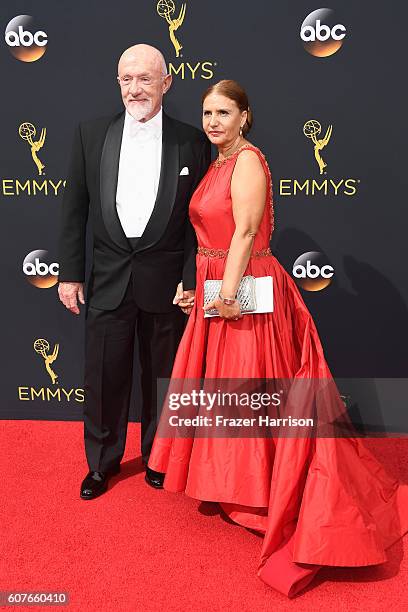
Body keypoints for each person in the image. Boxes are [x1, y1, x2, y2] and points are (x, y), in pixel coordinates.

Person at [147, 79, 408, 597]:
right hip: (225, 288)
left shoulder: (246, 162)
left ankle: (267, 492)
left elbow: (244, 233)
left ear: (245, 116)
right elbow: (216, 238)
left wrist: (225, 294)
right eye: (207, 113)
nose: (213, 121)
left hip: (249, 291)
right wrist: (201, 293)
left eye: (224, 112)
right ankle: (236, 487)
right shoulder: (219, 163)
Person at [58, 44, 211, 499]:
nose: (134, 88)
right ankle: (101, 464)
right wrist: (70, 273)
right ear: (118, 83)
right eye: (126, 79)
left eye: (145, 78)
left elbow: (197, 222)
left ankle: (159, 458)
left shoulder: (192, 140)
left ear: (166, 83)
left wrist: (189, 279)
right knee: (103, 378)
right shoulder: (90, 135)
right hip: (107, 280)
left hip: (167, 285)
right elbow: (74, 210)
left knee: (163, 379)